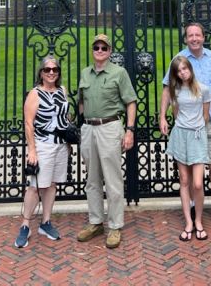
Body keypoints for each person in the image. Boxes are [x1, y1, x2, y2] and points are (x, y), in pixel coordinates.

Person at [160, 22, 211, 233]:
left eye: (198, 35)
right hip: (188, 127)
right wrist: (163, 116)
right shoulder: (179, 59)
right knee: (188, 173)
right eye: (190, 35)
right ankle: (193, 210)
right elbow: (167, 89)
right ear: (186, 39)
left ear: (203, 37)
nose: (194, 38)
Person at [76, 34, 137, 249]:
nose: (99, 50)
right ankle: (95, 222)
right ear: (92, 50)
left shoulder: (119, 73)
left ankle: (115, 225)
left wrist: (129, 131)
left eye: (104, 47)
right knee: (91, 179)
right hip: (89, 128)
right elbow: (81, 101)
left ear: (110, 51)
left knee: (112, 179)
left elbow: (131, 102)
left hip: (110, 127)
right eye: (96, 47)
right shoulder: (85, 73)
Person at [14, 55, 71, 248]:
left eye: (55, 69)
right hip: (43, 144)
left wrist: (69, 137)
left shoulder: (62, 90)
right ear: (41, 72)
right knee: (35, 186)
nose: (52, 73)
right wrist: (32, 150)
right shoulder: (35, 94)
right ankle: (25, 225)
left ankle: (45, 222)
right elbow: (29, 124)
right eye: (48, 70)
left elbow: (66, 116)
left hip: (61, 145)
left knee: (52, 184)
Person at [164, 55, 211, 241]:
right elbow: (176, 113)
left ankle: (199, 220)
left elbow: (206, 115)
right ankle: (189, 222)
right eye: (179, 71)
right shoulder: (175, 91)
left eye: (185, 68)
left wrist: (197, 128)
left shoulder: (203, 89)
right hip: (180, 135)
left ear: (190, 68)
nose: (183, 73)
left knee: (198, 183)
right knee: (184, 180)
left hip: (197, 136)